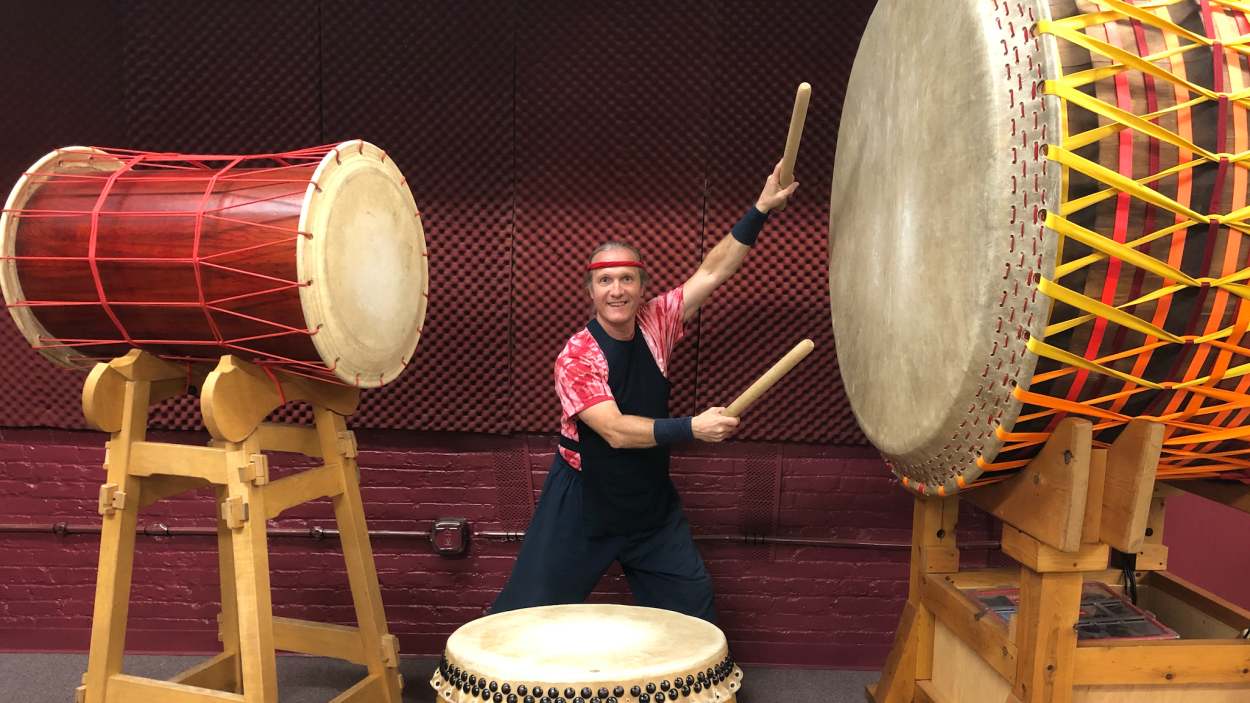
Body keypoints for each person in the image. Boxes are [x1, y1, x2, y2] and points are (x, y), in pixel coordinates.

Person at [491, 161, 800, 624]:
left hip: (649, 502)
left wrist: (760, 208)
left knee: (693, 609)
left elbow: (713, 273)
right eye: (605, 281)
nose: (617, 290)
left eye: (627, 279)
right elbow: (614, 431)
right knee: (524, 615)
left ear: (642, 287)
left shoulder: (657, 321)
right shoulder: (577, 356)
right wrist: (693, 427)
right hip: (581, 502)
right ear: (591, 291)